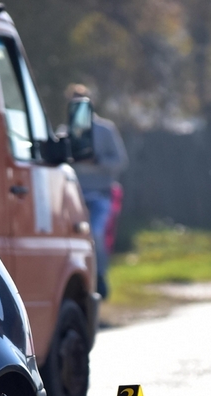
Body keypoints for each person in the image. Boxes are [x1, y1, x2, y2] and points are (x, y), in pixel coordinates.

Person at [68, 84, 128, 299]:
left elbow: (120, 161)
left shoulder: (105, 130)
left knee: (97, 234)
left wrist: (97, 161)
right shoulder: (65, 131)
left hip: (100, 194)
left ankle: (100, 276)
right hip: (73, 196)